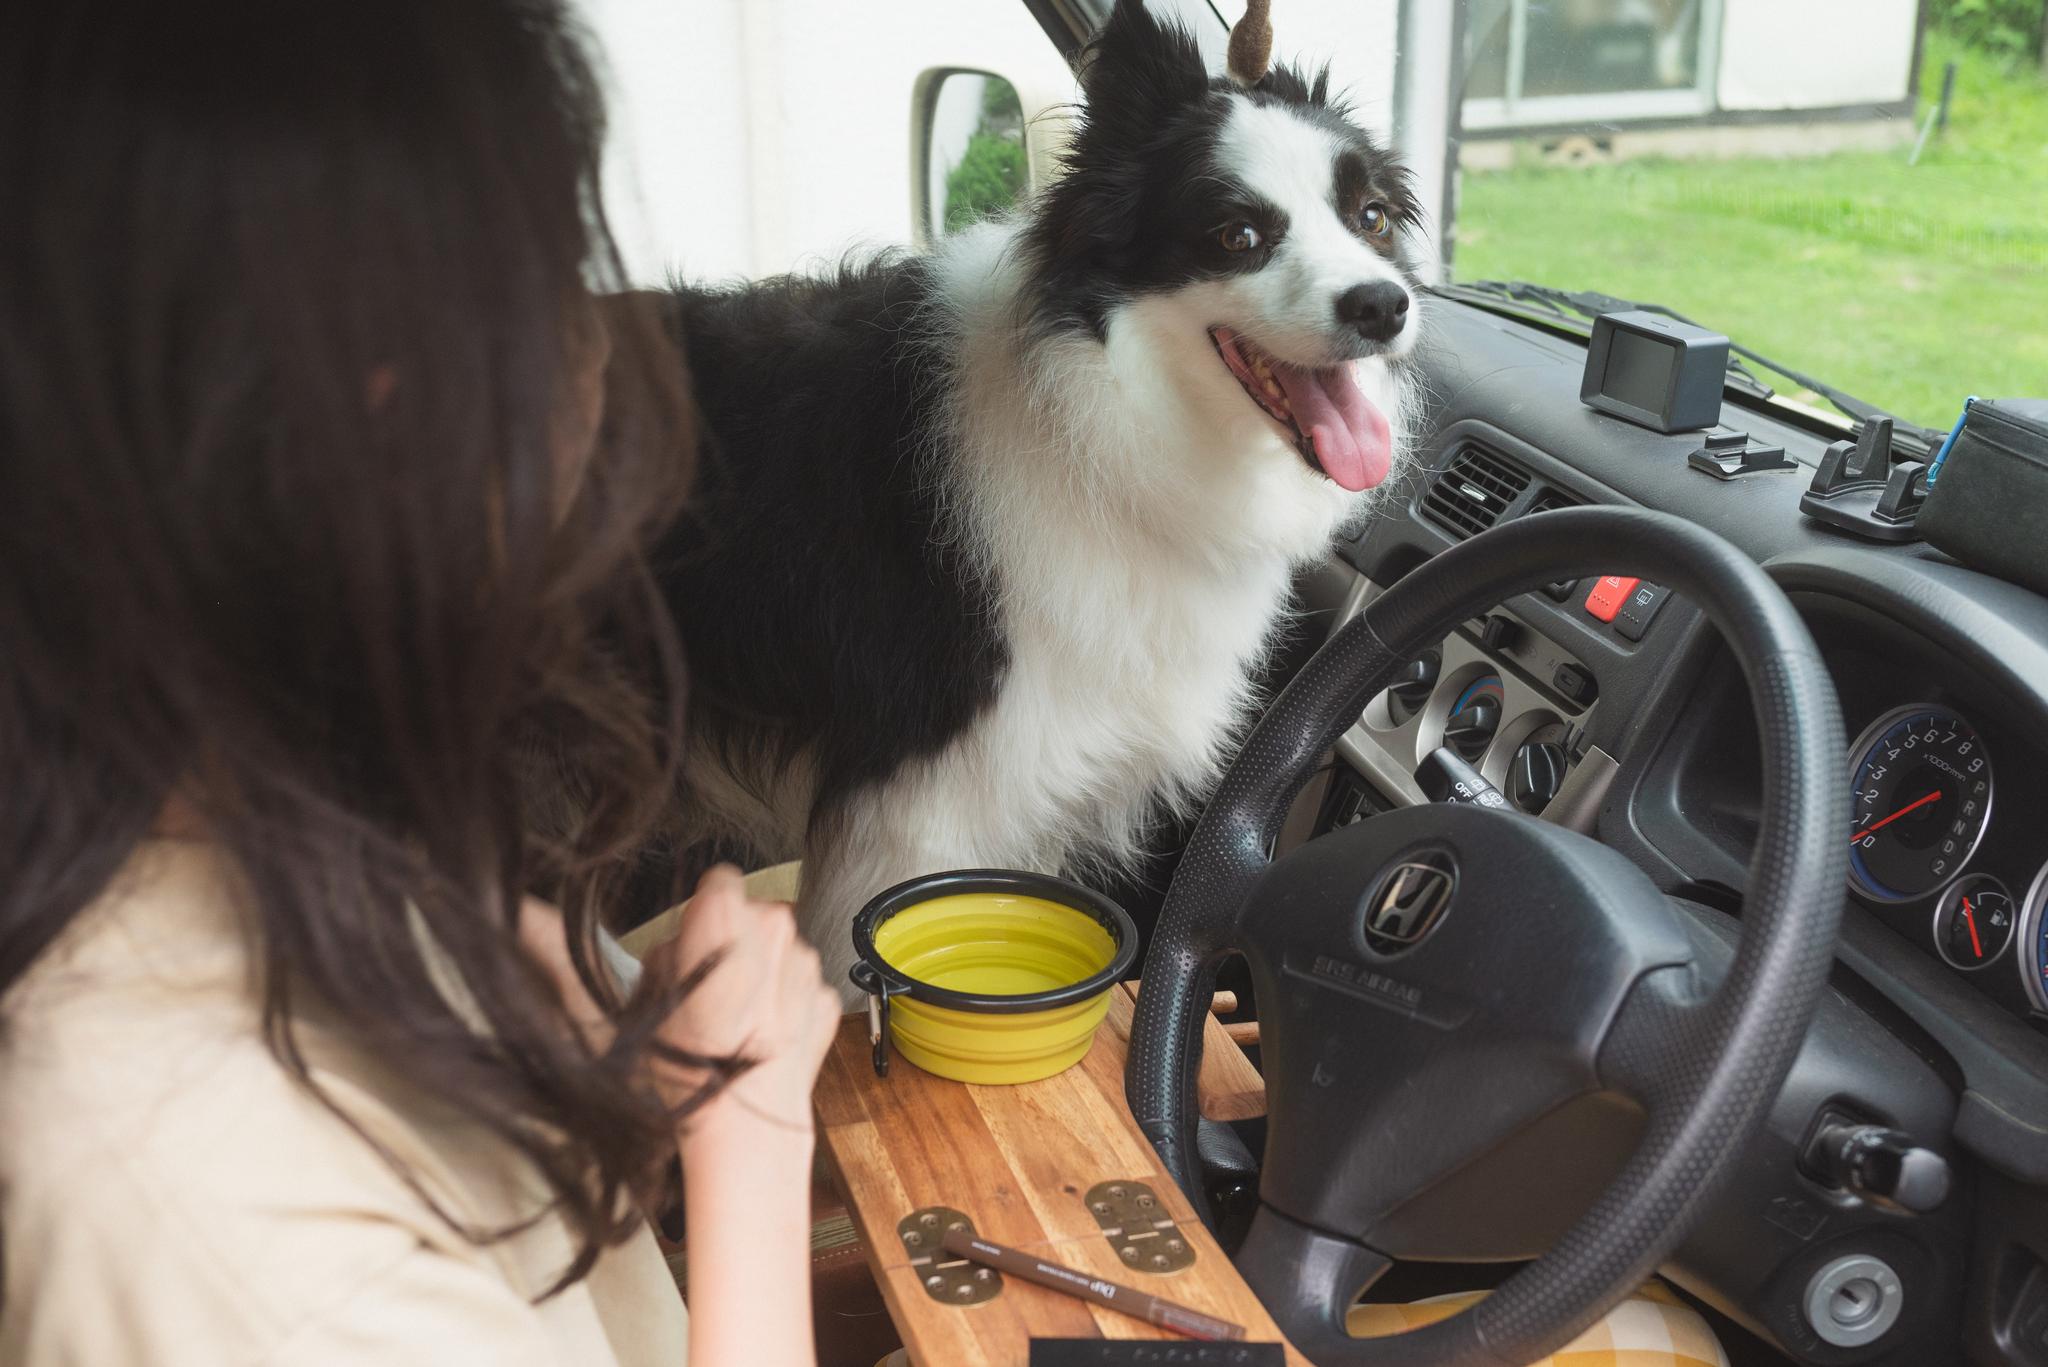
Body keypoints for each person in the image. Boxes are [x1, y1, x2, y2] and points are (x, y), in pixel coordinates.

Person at [0, 3, 838, 1364]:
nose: (584, 349)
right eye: (538, 262)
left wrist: (594, 1039)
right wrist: (746, 1148)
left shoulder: (266, 810)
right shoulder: (196, 1203)